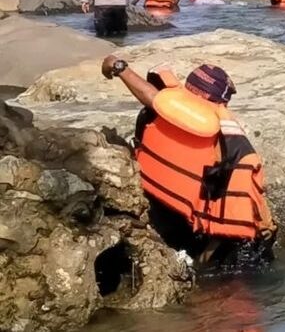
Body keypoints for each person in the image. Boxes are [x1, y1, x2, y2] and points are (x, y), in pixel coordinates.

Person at [101, 55, 275, 265]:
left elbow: (147, 92)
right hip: (204, 232)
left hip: (210, 235)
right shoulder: (226, 142)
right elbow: (150, 96)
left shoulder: (162, 109)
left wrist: (118, 66)